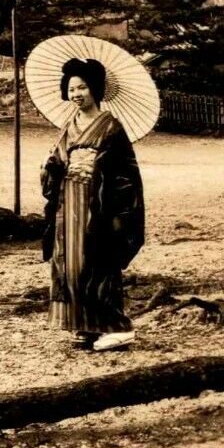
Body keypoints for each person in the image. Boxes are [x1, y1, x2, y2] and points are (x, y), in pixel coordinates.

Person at [40, 57, 145, 352]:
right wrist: (51, 169)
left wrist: (116, 208)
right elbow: (56, 160)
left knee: (99, 263)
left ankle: (117, 327)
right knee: (71, 265)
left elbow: (125, 173)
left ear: (95, 89)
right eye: (71, 89)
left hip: (98, 206)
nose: (76, 95)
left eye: (82, 87)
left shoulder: (112, 127)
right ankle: (85, 323)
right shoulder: (68, 126)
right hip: (68, 203)